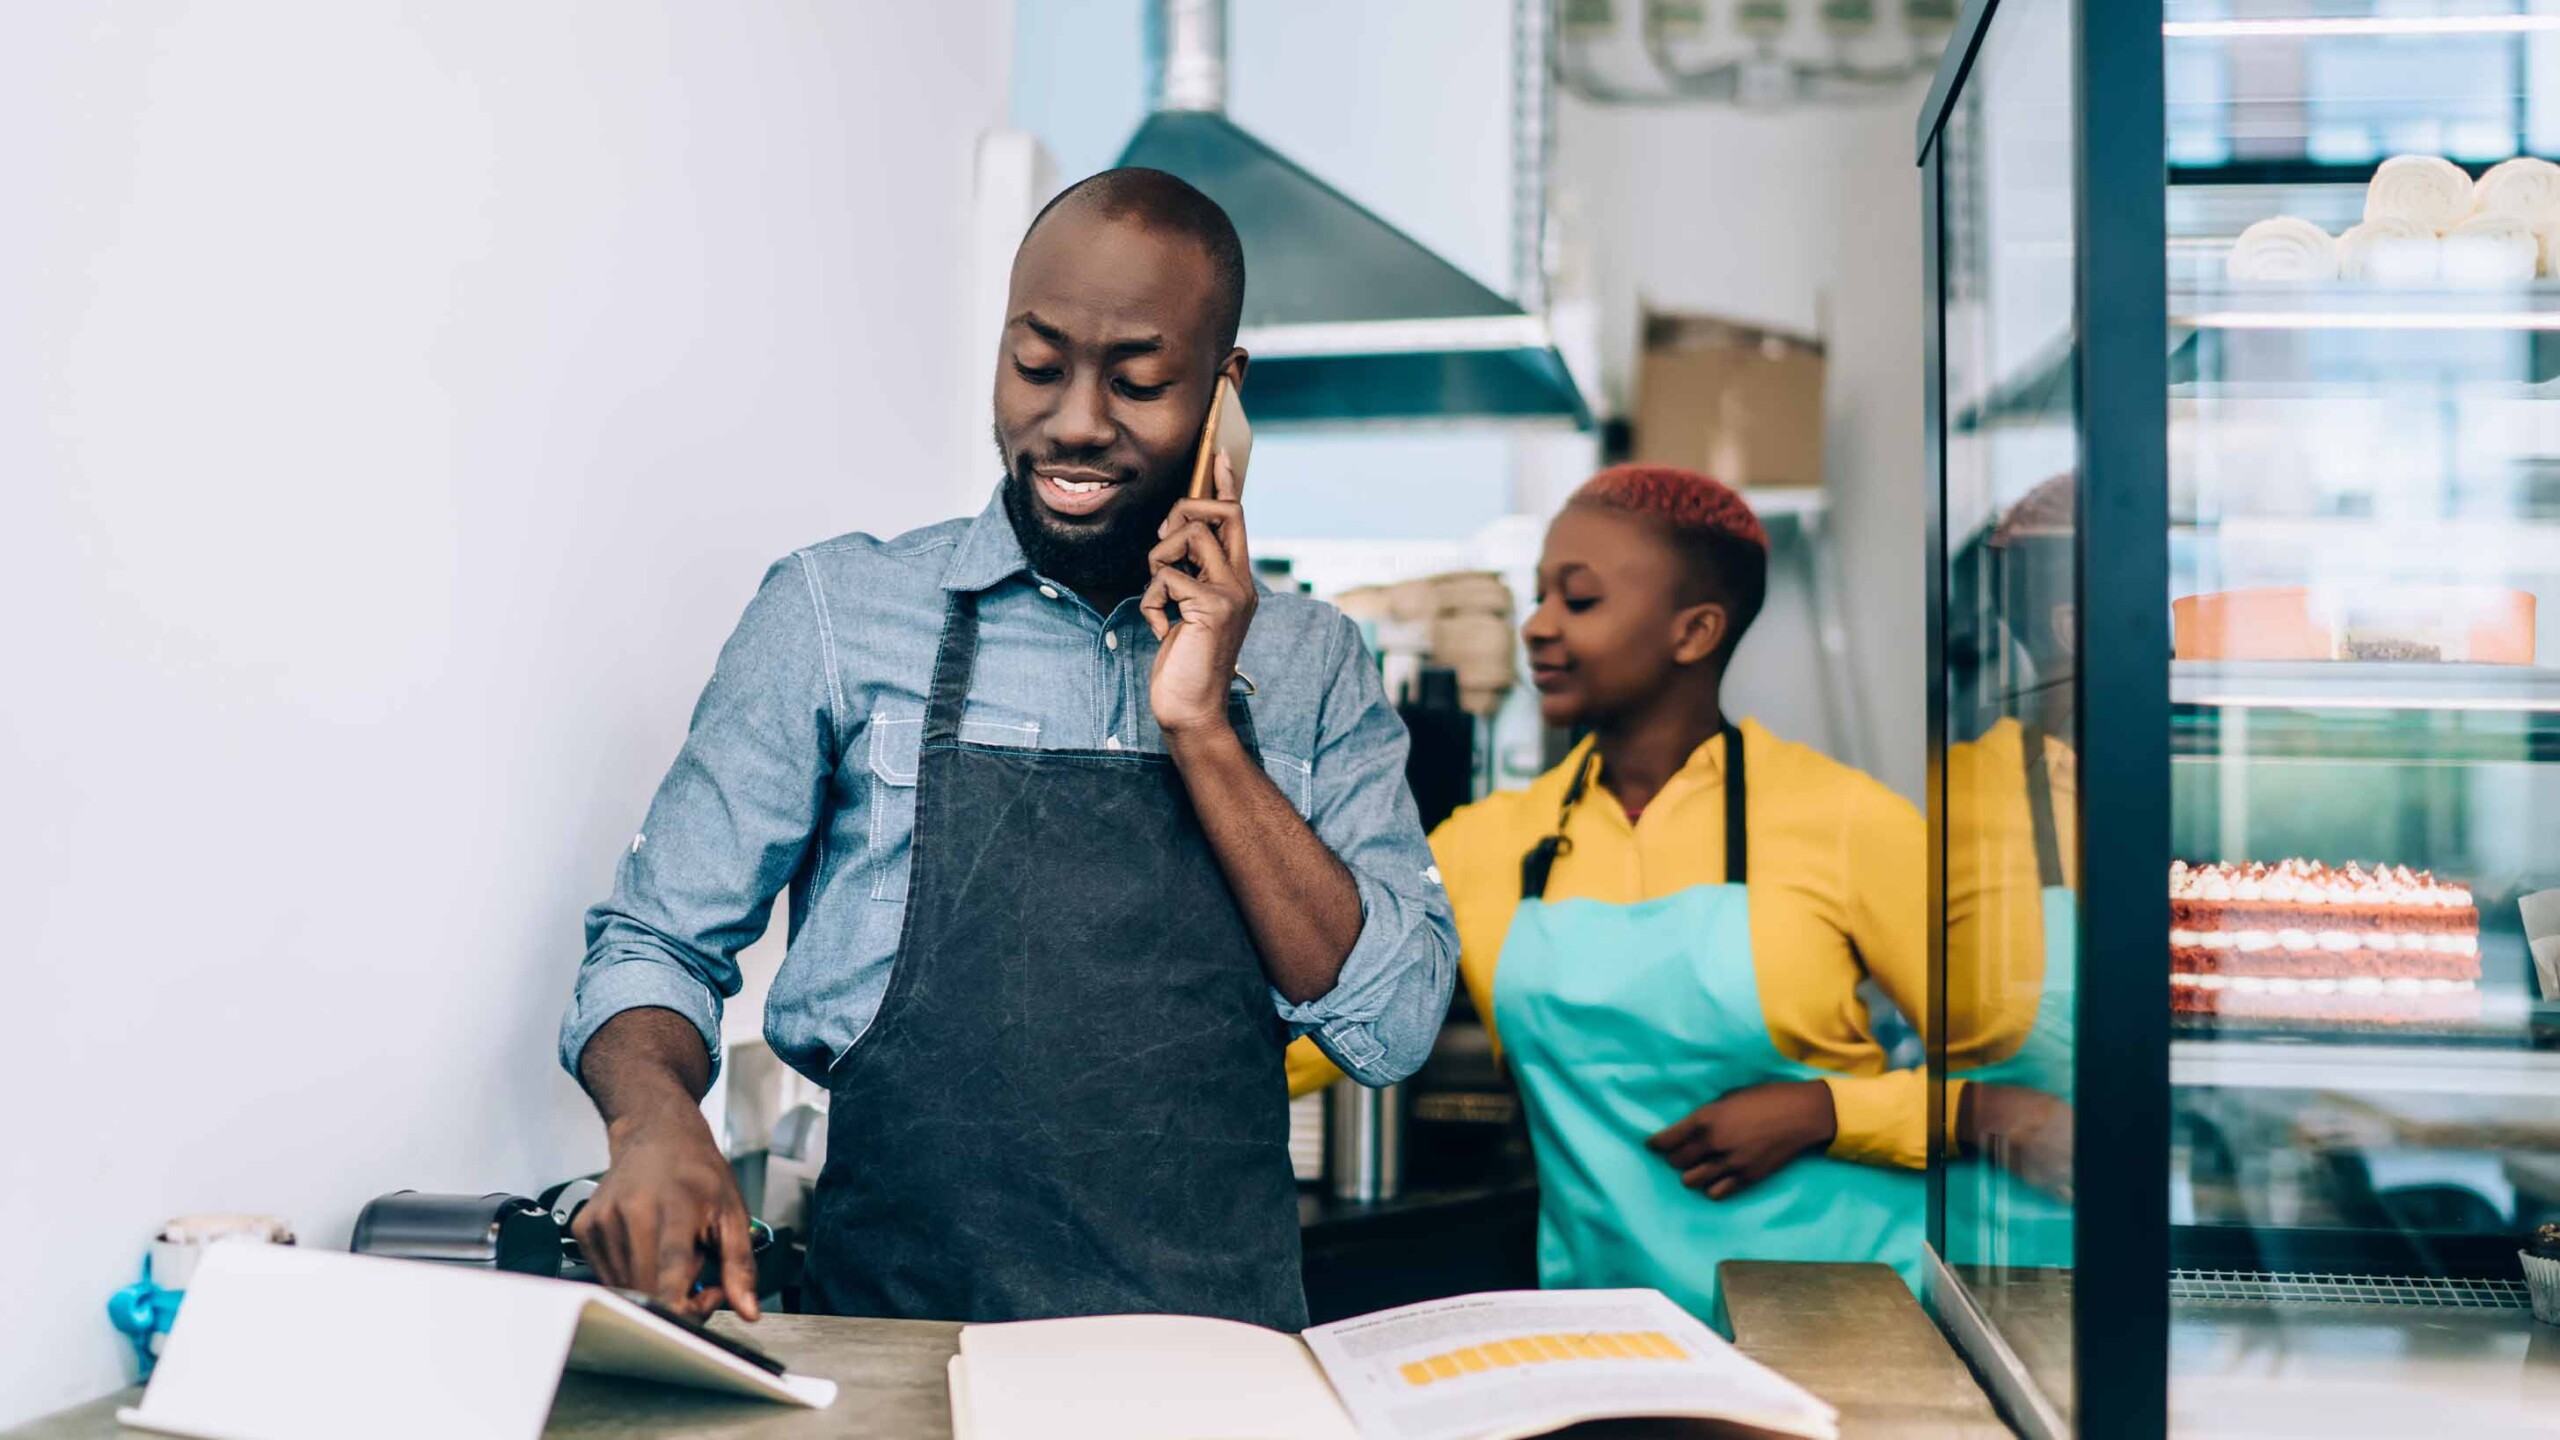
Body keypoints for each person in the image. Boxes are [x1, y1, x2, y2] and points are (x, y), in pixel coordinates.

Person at [558, 168, 1456, 1330]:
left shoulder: (1312, 666)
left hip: (1212, 1371)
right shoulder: (835, 615)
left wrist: (1204, 729)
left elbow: (1391, 1028)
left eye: (1137, 382)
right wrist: (655, 1123)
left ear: (1226, 396)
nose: (1075, 420)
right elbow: (654, 940)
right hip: (901, 1340)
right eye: (1037, 365)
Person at [1295, 464, 1952, 1328]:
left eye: (1580, 601)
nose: (1538, 628)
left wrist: (1828, 1109)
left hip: (1854, 1323)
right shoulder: (1482, 845)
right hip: (1618, 1333)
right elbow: (1317, 1033)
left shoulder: (1848, 820)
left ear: (1695, 631)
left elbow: (2026, 1085)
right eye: (1539, 597)